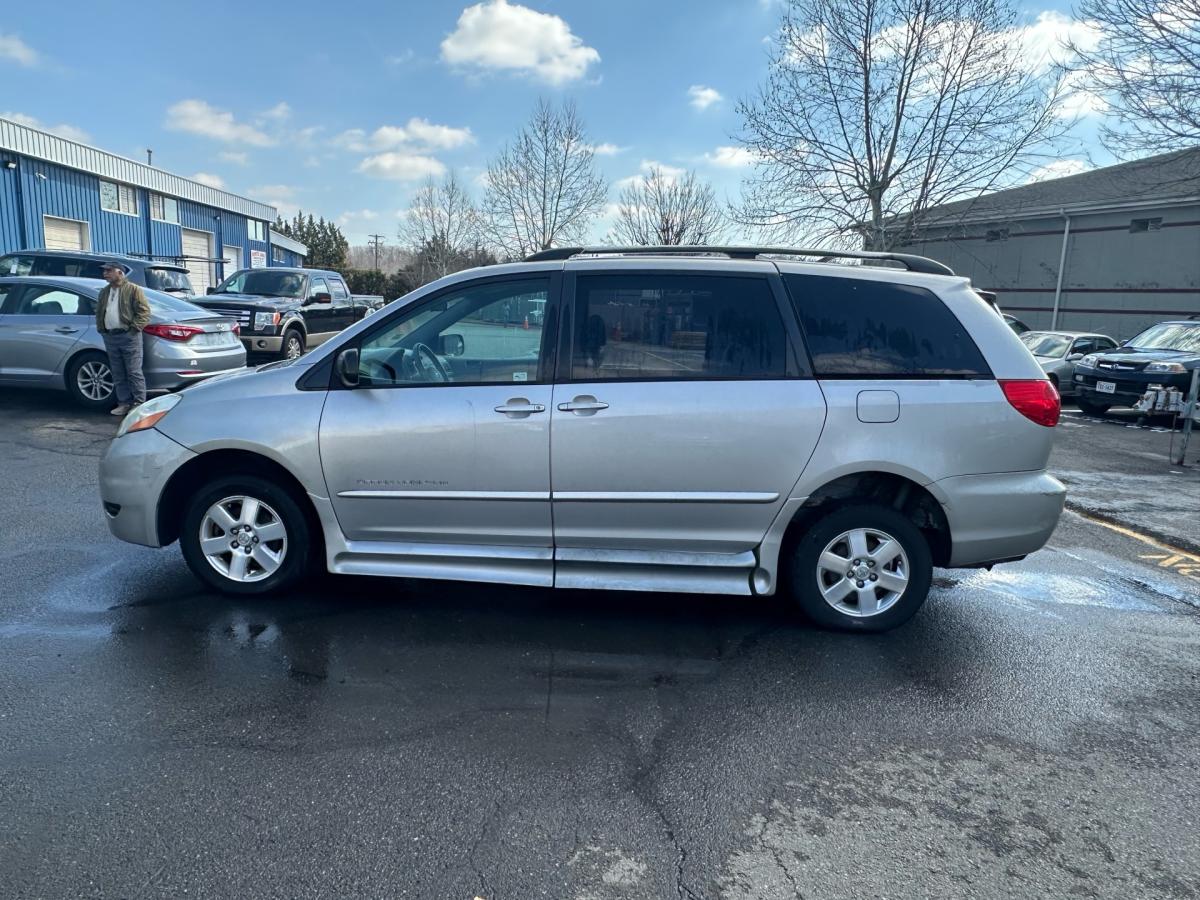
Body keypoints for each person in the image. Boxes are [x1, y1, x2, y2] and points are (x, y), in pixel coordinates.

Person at [95, 262, 151, 416]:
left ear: (120, 273)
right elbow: (100, 311)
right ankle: (123, 403)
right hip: (110, 336)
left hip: (129, 336)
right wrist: (102, 329)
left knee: (134, 372)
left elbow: (144, 312)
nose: (105, 273)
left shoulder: (133, 289)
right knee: (118, 372)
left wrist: (134, 329)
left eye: (109, 270)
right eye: (104, 271)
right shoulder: (104, 292)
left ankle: (139, 404)